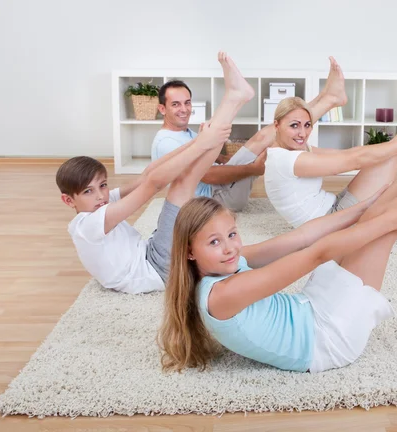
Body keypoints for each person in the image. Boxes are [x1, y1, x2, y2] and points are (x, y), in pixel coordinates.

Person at [158, 80, 397, 373]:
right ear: (189, 251)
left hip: (310, 308)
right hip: (327, 338)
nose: (230, 247)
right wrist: (387, 220)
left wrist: (366, 208)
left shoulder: (223, 266)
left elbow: (301, 237)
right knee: (390, 224)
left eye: (231, 234)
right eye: (215, 242)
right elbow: (315, 253)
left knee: (381, 207)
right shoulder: (223, 293)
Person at [56, 52, 255, 294]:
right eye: (88, 191)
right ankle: (233, 100)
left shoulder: (100, 205)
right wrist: (203, 143)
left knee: (185, 178)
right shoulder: (87, 224)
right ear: (69, 200)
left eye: (103, 186)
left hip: (150, 252)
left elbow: (146, 175)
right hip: (157, 269)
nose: (100, 196)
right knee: (183, 182)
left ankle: (234, 98)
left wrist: (200, 142)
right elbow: (152, 185)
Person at [264, 39, 397, 228]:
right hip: (331, 225)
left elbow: (343, 155)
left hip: (335, 208)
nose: (302, 133)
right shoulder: (286, 160)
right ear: (276, 125)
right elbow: (353, 160)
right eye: (294, 126)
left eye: (307, 125)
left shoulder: (289, 150)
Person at [151, 79, 272, 212]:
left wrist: (224, 159)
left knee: (265, 136)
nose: (184, 109)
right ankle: (234, 97)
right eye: (176, 104)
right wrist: (253, 169)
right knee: (264, 137)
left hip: (219, 189)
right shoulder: (166, 142)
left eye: (187, 103)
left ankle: (236, 95)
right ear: (162, 109)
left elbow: (204, 156)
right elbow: (208, 175)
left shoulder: (184, 133)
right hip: (214, 200)